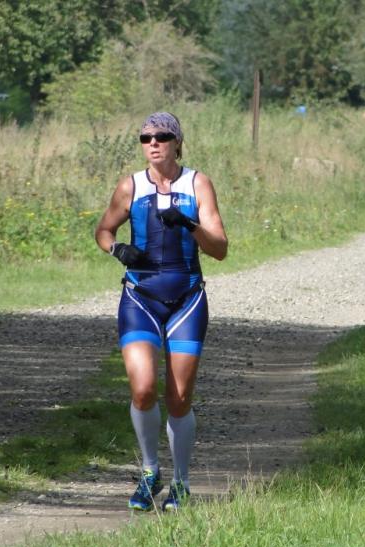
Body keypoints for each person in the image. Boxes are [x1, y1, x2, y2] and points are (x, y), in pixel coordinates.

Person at [95, 111, 228, 511]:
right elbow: (103, 230)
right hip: (140, 298)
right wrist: (117, 249)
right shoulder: (130, 186)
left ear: (177, 142)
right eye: (145, 137)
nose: (153, 143)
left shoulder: (198, 184)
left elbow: (220, 249)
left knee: (179, 397)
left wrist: (190, 225)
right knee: (142, 389)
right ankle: (150, 472)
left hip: (187, 300)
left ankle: (181, 482)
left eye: (161, 136)